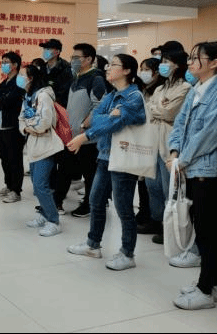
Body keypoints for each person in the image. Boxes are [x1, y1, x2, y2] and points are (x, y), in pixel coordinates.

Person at [169, 41, 217, 310]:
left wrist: (182, 160)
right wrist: (174, 151)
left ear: (215, 63)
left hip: (210, 170)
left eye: (197, 58)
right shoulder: (196, 89)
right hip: (192, 167)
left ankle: (205, 290)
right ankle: (216, 287)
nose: (190, 62)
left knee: (207, 232)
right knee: (203, 229)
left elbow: (211, 134)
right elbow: (180, 124)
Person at [66, 54, 146, 271]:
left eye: (114, 65)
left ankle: (127, 253)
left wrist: (87, 135)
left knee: (123, 208)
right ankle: (93, 244)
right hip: (105, 155)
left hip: (123, 157)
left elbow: (114, 123)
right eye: (108, 64)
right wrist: (111, 116)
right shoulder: (111, 96)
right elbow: (98, 118)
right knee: (96, 201)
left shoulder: (134, 97)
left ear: (127, 70)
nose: (108, 68)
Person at [145, 52, 192, 251]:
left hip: (169, 142)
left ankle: (169, 227)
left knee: (168, 188)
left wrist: (159, 108)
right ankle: (157, 221)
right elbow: (148, 108)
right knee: (152, 186)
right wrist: (160, 107)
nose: (162, 65)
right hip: (153, 141)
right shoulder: (161, 87)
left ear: (177, 64)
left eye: (166, 62)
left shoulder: (186, 87)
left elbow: (169, 112)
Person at [56, 43, 106, 218]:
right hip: (72, 135)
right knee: (64, 169)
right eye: (72, 57)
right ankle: (56, 202)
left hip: (87, 138)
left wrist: (85, 125)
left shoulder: (96, 78)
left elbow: (99, 106)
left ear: (89, 59)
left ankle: (88, 205)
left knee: (90, 174)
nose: (73, 61)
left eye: (77, 58)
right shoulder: (77, 77)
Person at [19, 64, 64, 237]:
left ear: (31, 78)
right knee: (37, 186)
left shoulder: (44, 95)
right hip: (33, 145)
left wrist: (29, 127)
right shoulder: (28, 96)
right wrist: (27, 128)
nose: (20, 78)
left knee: (40, 184)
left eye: (23, 75)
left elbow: (44, 122)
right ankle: (44, 215)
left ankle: (54, 221)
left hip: (46, 145)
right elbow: (21, 118)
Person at [40, 38, 73, 215]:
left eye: (48, 48)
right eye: (44, 48)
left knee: (62, 161)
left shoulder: (66, 69)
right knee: (48, 158)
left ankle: (58, 200)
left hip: (60, 118)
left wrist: (48, 101)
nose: (45, 51)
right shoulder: (42, 68)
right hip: (45, 118)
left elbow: (63, 95)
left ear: (57, 52)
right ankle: (49, 198)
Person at [0, 52, 26, 203]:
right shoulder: (4, 83)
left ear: (15, 65)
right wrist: (1, 101)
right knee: (4, 157)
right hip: (2, 126)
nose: (3, 65)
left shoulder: (20, 81)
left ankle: (16, 191)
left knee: (14, 159)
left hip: (14, 126)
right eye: (2, 62)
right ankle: (9, 185)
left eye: (6, 62)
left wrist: (1, 101)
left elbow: (10, 100)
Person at [136, 57, 166, 234]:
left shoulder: (160, 90)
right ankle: (146, 214)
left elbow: (158, 112)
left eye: (146, 69)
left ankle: (160, 221)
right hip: (145, 139)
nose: (143, 73)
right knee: (145, 182)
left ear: (156, 72)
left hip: (158, 140)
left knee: (158, 185)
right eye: (142, 69)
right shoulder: (143, 89)